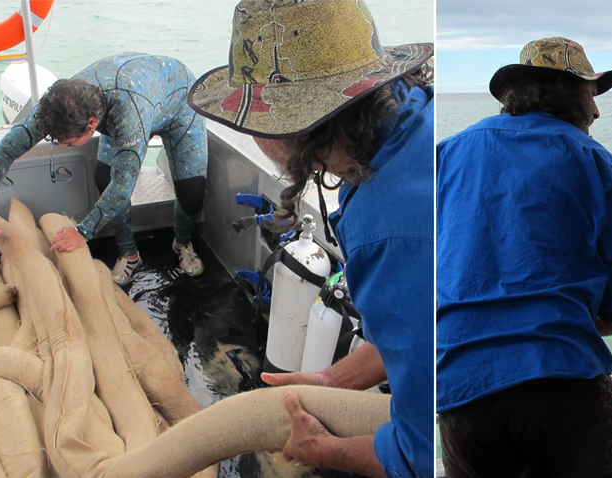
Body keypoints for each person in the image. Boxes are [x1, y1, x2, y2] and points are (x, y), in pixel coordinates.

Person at [186, 0, 433, 476]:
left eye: (252, 119)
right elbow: (415, 333)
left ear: (291, 128)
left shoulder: (389, 230)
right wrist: (330, 379)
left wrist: (322, 451)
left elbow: (420, 453)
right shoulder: (414, 121)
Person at [436, 37, 612, 477]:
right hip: (561, 382)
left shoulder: (447, 153)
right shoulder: (597, 162)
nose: (596, 111)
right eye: (591, 95)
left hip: (461, 395)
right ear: (566, 92)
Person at [0, 53, 207, 284]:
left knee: (192, 193)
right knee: (103, 178)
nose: (63, 146)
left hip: (177, 103)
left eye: (69, 142)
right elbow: (5, 151)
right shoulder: (56, 105)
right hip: (130, 100)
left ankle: (182, 243)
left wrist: (82, 233)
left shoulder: (128, 114)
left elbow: (124, 185)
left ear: (91, 124)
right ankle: (130, 255)